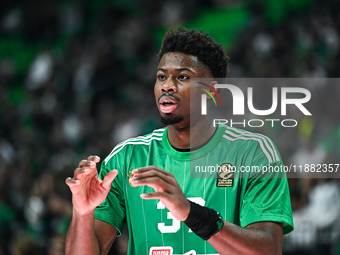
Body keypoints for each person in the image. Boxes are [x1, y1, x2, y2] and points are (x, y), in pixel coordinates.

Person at [65, 28, 293, 255]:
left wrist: (191, 213)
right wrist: (82, 214)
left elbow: (269, 250)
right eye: (161, 76)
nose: (167, 86)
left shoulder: (253, 153)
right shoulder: (126, 158)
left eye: (183, 77)